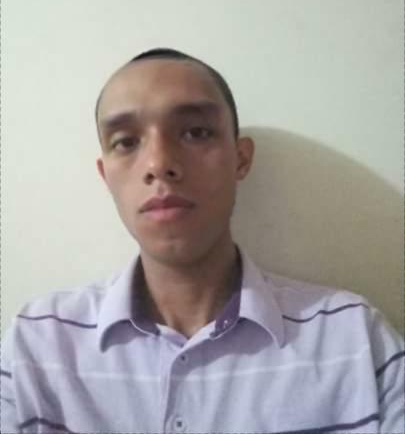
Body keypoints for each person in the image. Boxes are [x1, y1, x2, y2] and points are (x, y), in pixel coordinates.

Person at [1, 48, 404, 434]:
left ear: (241, 159)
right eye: (126, 141)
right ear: (106, 175)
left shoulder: (355, 341)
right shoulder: (37, 347)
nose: (159, 164)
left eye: (195, 132)